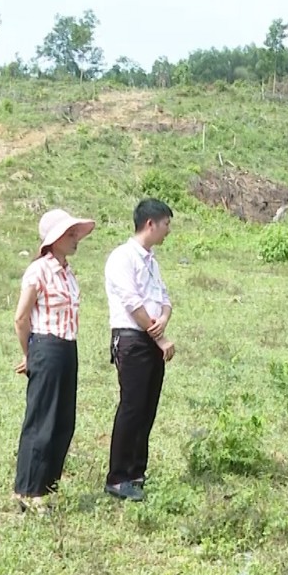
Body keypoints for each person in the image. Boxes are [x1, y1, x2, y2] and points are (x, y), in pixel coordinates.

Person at [13, 208, 95, 512]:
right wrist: (29, 353)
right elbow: (21, 317)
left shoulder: (68, 272)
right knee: (41, 420)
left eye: (75, 233)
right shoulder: (39, 270)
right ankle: (27, 490)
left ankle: (45, 488)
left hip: (67, 348)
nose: (75, 239)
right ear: (55, 238)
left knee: (63, 421)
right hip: (46, 345)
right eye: (70, 234)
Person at [102, 199, 176, 501]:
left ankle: (136, 472)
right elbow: (132, 303)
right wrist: (158, 336)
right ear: (150, 224)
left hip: (152, 336)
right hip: (133, 339)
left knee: (148, 408)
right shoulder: (122, 257)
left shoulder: (152, 261)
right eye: (166, 224)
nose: (168, 231)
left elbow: (165, 298)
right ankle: (118, 477)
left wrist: (164, 320)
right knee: (131, 407)